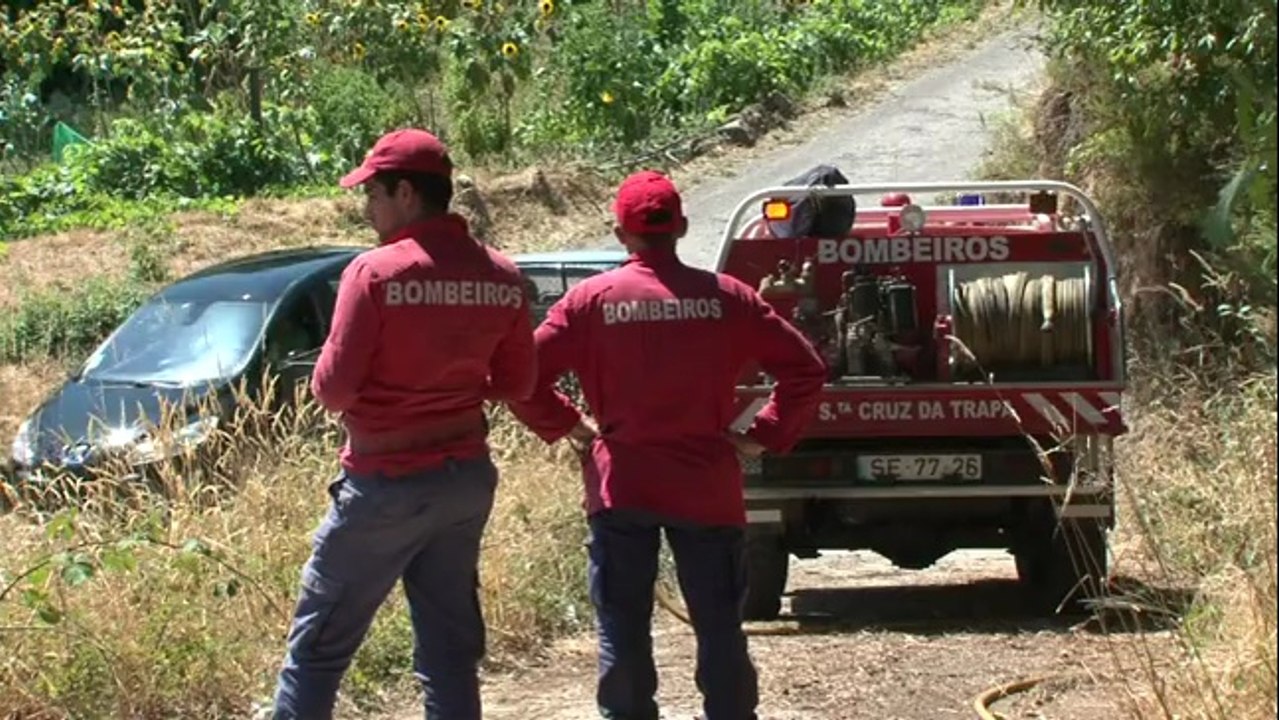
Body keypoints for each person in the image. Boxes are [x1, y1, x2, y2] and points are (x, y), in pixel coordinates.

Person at [507, 170, 827, 720]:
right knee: (719, 625)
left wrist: (569, 425)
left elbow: (520, 373)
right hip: (706, 486)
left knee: (623, 627)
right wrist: (762, 437)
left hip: (622, 486)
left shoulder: (590, 301)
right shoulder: (728, 298)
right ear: (681, 226)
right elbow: (805, 371)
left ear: (619, 232)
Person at [271, 128, 537, 720]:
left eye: (373, 193)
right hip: (464, 479)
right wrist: (459, 388)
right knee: (448, 654)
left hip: (384, 484)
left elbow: (333, 390)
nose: (366, 208)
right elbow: (519, 384)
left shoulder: (374, 273)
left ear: (408, 194)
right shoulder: (501, 274)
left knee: (316, 653)